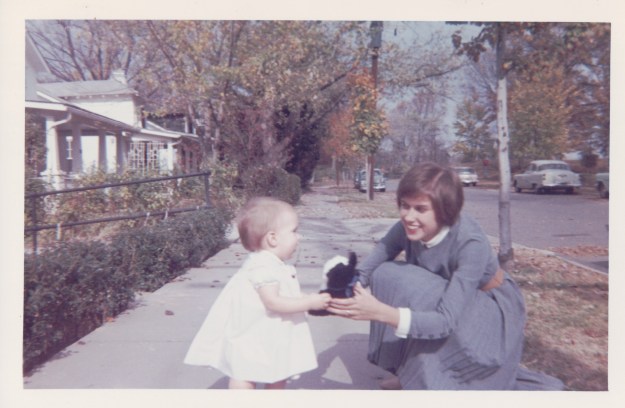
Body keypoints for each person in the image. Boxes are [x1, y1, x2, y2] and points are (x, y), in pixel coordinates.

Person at [328, 162, 564, 390]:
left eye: (420, 208)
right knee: (387, 273)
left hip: (490, 307)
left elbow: (445, 321)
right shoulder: (409, 226)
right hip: (443, 294)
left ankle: (436, 377)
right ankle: (409, 374)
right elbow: (381, 252)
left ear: (444, 211)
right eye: (404, 205)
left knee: (418, 293)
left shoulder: (470, 243)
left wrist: (381, 312)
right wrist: (349, 287)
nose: (408, 216)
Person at [184, 196, 331, 389]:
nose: (299, 236)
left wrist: (307, 298)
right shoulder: (264, 267)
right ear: (272, 238)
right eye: (294, 231)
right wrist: (309, 303)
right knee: (246, 372)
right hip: (256, 335)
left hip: (268, 332)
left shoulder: (270, 264)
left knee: (274, 370)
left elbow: (285, 296)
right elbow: (274, 302)